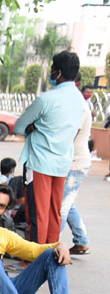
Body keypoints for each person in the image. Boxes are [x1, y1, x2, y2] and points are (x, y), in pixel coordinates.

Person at [15, 50, 85, 245]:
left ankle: (34, 258)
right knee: (54, 211)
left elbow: (19, 126)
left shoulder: (46, 99)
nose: (51, 72)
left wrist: (34, 127)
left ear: (59, 72)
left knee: (38, 212)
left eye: (53, 69)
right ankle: (52, 251)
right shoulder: (81, 101)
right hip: (62, 163)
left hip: (39, 162)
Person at [58, 82, 91, 256]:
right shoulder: (77, 103)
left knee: (61, 208)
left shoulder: (79, 106)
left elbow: (70, 135)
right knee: (68, 204)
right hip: (75, 162)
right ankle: (81, 241)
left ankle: (51, 247)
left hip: (75, 163)